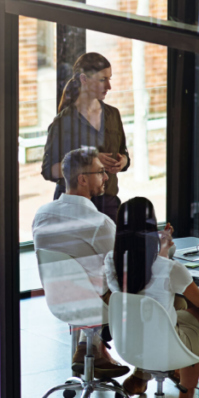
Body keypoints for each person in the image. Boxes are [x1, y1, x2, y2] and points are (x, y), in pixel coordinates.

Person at [33, 147, 130, 379]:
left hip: (59, 301)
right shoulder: (99, 223)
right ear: (83, 179)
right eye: (101, 172)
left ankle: (90, 348)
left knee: (96, 276)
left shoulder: (42, 214)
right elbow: (122, 269)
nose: (106, 177)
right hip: (94, 305)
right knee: (151, 287)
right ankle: (156, 369)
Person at [102, 198, 199, 398]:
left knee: (184, 311)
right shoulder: (171, 269)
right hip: (165, 345)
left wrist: (163, 248)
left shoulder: (112, 261)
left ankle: (141, 374)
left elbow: (149, 280)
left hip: (130, 343)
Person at [41, 53, 130, 218]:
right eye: (103, 80)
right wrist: (90, 162)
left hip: (108, 205)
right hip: (73, 208)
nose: (109, 86)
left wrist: (122, 161)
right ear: (84, 79)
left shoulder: (113, 114)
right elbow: (49, 170)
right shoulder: (63, 122)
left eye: (110, 79)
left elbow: (124, 154)